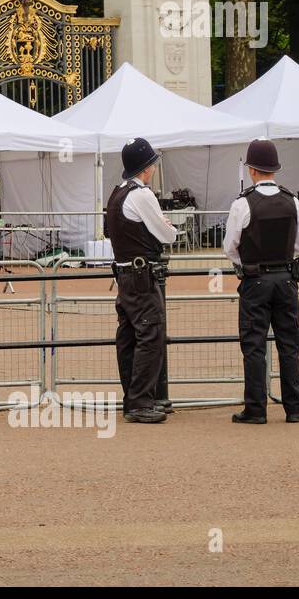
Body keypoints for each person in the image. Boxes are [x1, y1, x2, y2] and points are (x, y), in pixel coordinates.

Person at [223, 139, 299, 425]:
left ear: (252, 170)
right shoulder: (292, 200)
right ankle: (294, 408)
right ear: (274, 169)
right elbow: (298, 245)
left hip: (255, 280)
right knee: (289, 343)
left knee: (254, 345)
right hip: (286, 278)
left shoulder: (242, 203)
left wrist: (245, 265)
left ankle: (256, 409)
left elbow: (230, 247)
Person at [105, 138, 177, 423]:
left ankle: (132, 398)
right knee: (151, 334)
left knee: (128, 336)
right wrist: (168, 228)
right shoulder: (142, 195)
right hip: (141, 274)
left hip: (124, 273)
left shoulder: (117, 193)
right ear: (147, 167)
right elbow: (165, 234)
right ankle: (141, 401)